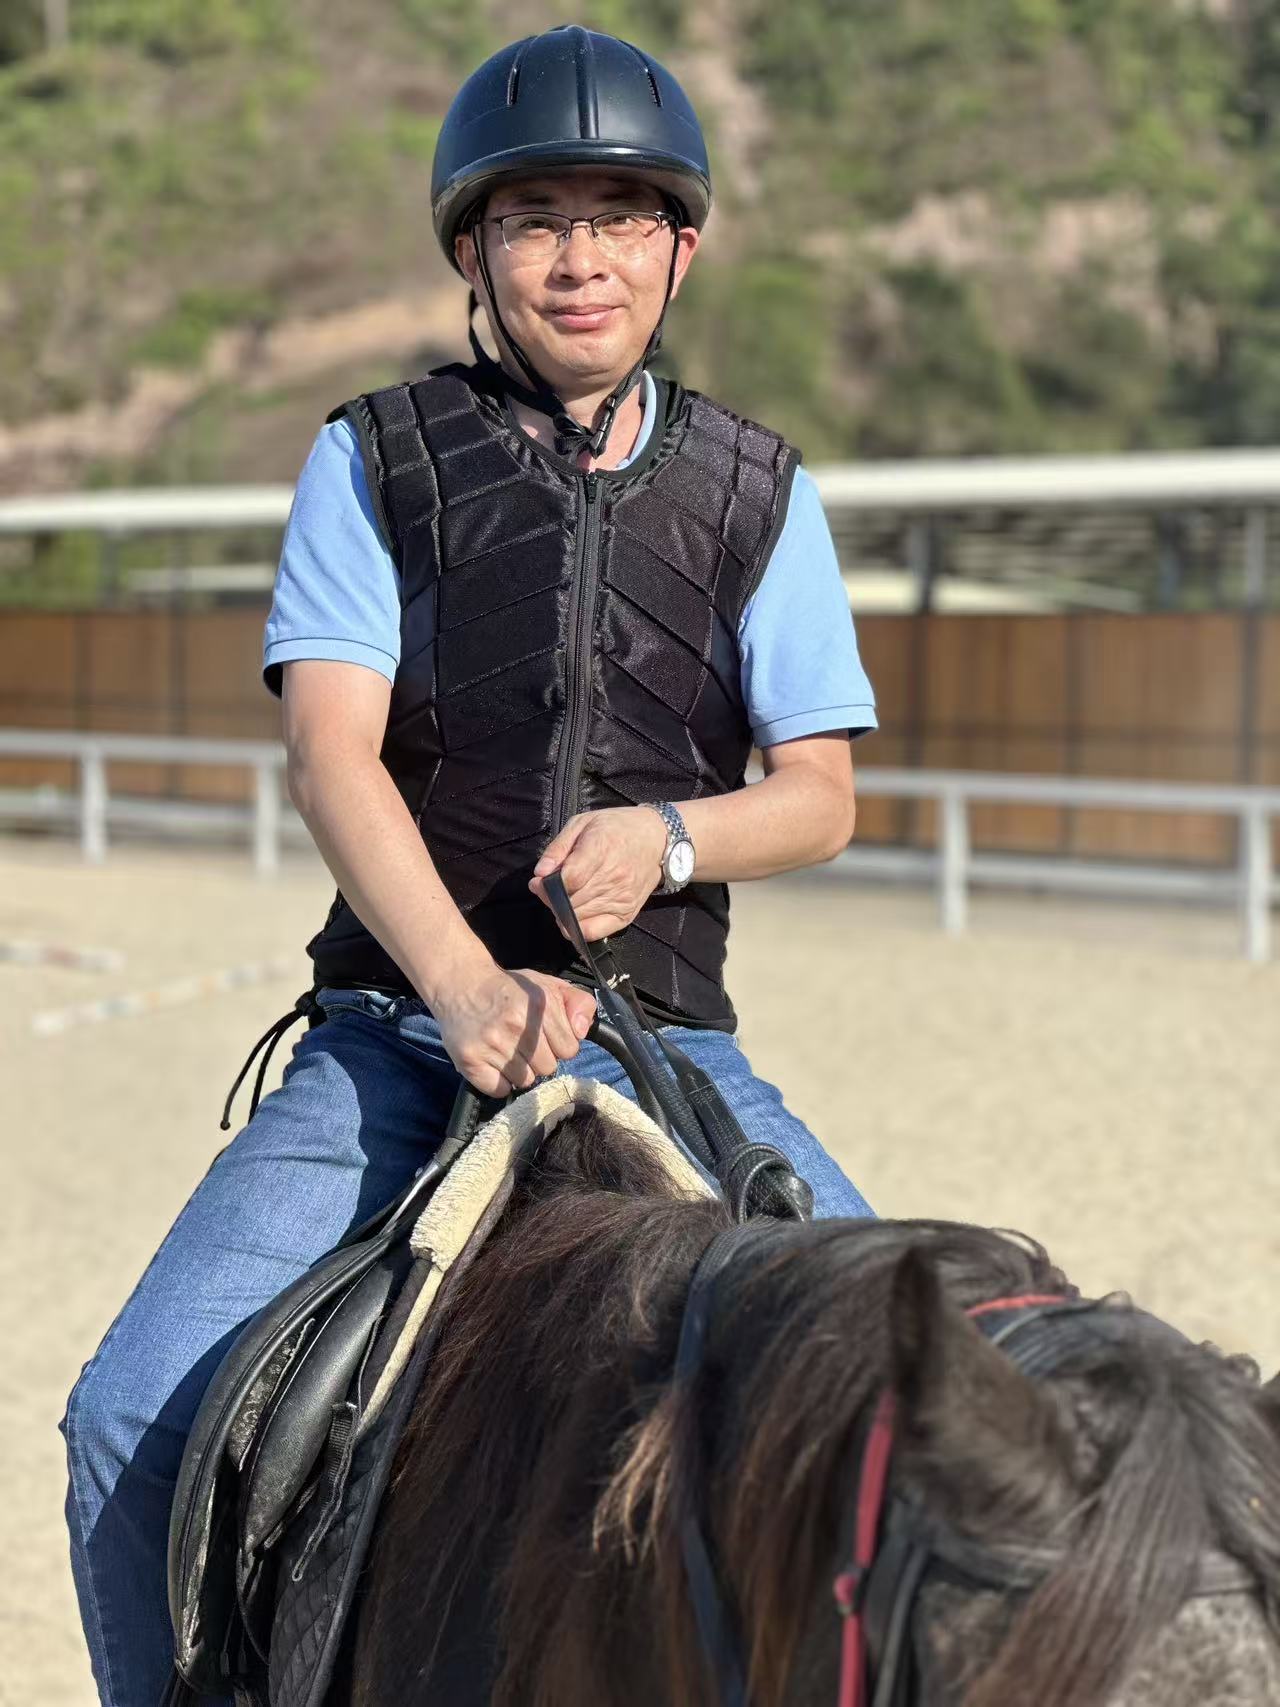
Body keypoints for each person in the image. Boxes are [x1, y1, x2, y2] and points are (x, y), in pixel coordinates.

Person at [60, 25, 878, 1706]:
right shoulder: (374, 458)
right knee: (130, 1416)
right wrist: (460, 986)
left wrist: (671, 836)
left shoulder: (762, 492)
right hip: (400, 1037)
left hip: (665, 1041)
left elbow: (819, 797)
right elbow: (332, 754)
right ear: (474, 253)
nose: (582, 258)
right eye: (536, 220)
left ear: (680, 249)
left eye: (621, 217)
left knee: (900, 1403)